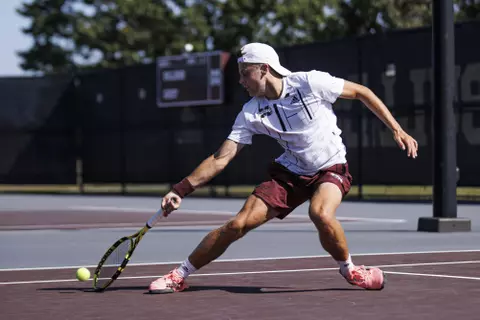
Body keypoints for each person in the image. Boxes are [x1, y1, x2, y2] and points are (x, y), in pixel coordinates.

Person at [148, 42, 418, 294]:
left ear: (264, 69)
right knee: (237, 225)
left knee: (320, 214)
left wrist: (398, 130)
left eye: (245, 73)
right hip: (290, 173)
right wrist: (180, 190)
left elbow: (362, 92)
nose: (241, 81)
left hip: (330, 167)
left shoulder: (309, 82)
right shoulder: (251, 112)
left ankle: (351, 270)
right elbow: (221, 157)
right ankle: (179, 275)